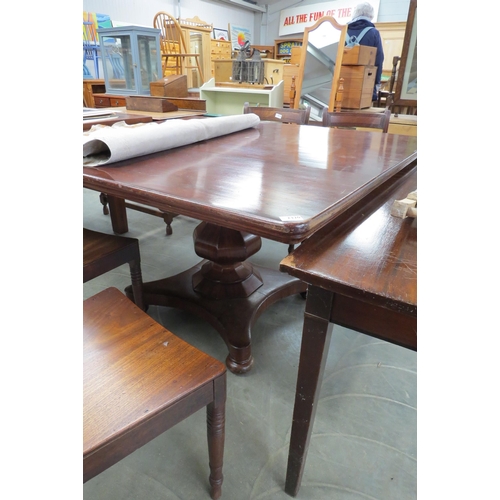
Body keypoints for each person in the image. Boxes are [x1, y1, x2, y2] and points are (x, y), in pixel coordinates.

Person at [346, 2, 384, 101]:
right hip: (365, 81)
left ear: (355, 13)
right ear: (371, 15)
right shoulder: (374, 33)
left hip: (344, 80)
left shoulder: (343, 30)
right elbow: (378, 59)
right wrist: (376, 83)